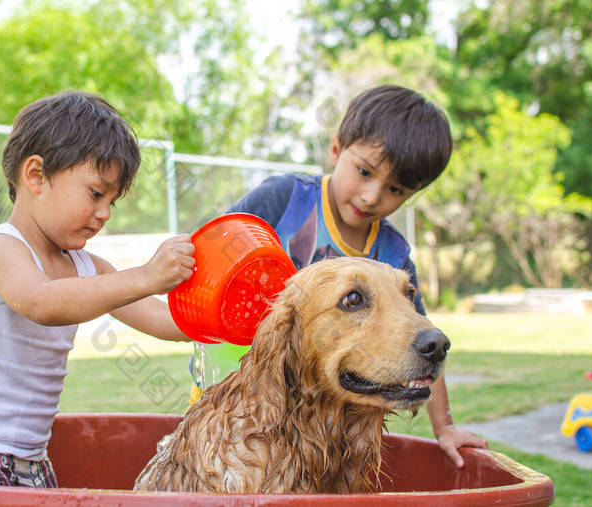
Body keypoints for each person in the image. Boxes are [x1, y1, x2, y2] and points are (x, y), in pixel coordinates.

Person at [190, 84, 487, 468]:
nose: (371, 196)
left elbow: (421, 336)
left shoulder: (394, 254)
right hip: (235, 398)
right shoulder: (285, 199)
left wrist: (444, 427)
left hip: (324, 428)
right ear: (335, 150)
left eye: (395, 189)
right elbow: (211, 252)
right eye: (364, 172)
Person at [0, 91, 195, 487]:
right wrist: (146, 275)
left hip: (32, 457)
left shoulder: (85, 266)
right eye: (95, 194)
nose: (104, 213)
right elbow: (41, 302)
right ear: (36, 175)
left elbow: (160, 317)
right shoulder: (0, 249)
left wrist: (229, 318)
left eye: (112, 201)